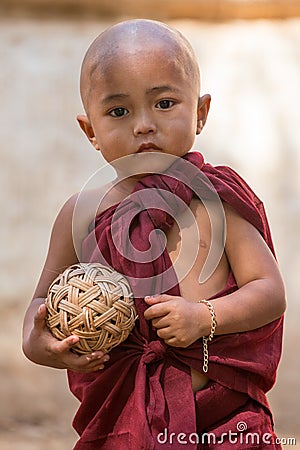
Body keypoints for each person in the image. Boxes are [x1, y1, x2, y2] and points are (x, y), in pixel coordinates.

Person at [22, 19, 286, 449]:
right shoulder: (83, 213)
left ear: (200, 112)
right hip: (126, 425)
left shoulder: (216, 201)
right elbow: (39, 307)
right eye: (119, 111)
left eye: (164, 103)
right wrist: (42, 344)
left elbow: (270, 291)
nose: (144, 125)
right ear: (90, 130)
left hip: (226, 421)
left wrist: (204, 318)